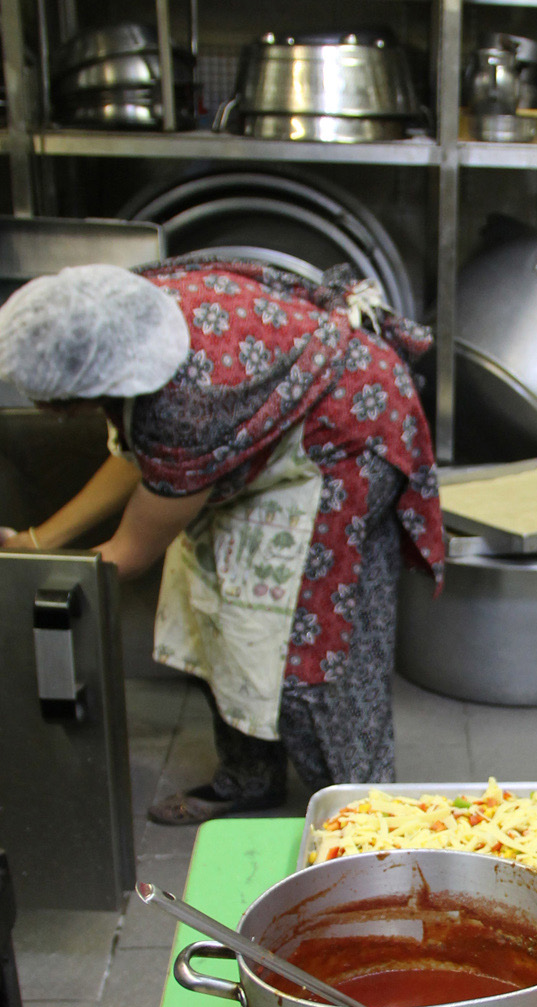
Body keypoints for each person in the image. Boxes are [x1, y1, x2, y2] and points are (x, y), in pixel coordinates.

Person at [0, 257, 443, 823]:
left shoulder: (185, 403)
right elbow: (140, 458)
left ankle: (363, 818)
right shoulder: (131, 309)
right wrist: (36, 542)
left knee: (314, 642)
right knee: (217, 603)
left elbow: (128, 553)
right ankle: (249, 779)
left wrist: (27, 582)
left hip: (348, 435)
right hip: (267, 420)